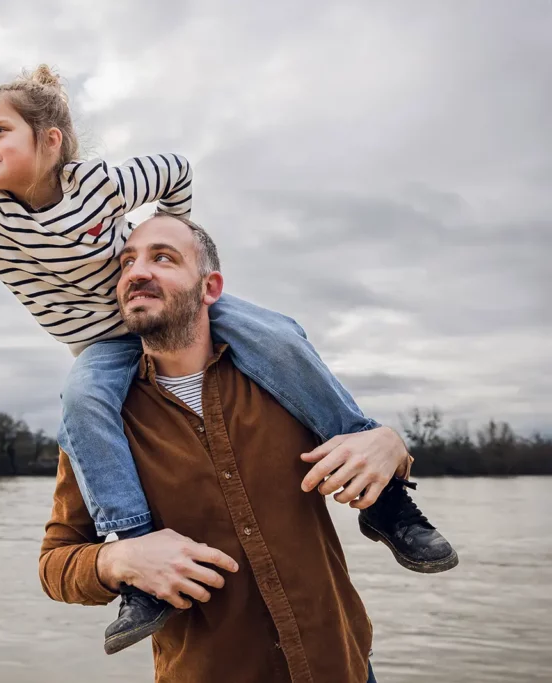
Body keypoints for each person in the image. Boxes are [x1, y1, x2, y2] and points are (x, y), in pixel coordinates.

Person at [0, 64, 456, 654]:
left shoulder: (101, 184)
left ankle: (387, 503)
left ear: (50, 141)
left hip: (338, 662)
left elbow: (176, 168)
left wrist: (170, 235)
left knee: (280, 333)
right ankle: (136, 548)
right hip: (104, 347)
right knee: (78, 393)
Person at [40, 212, 397, 681]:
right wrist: (117, 559)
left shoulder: (284, 385)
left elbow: (368, 452)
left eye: (162, 257)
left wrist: (392, 444)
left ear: (210, 288)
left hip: (343, 667)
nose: (136, 272)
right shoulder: (98, 424)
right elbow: (55, 563)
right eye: (126, 263)